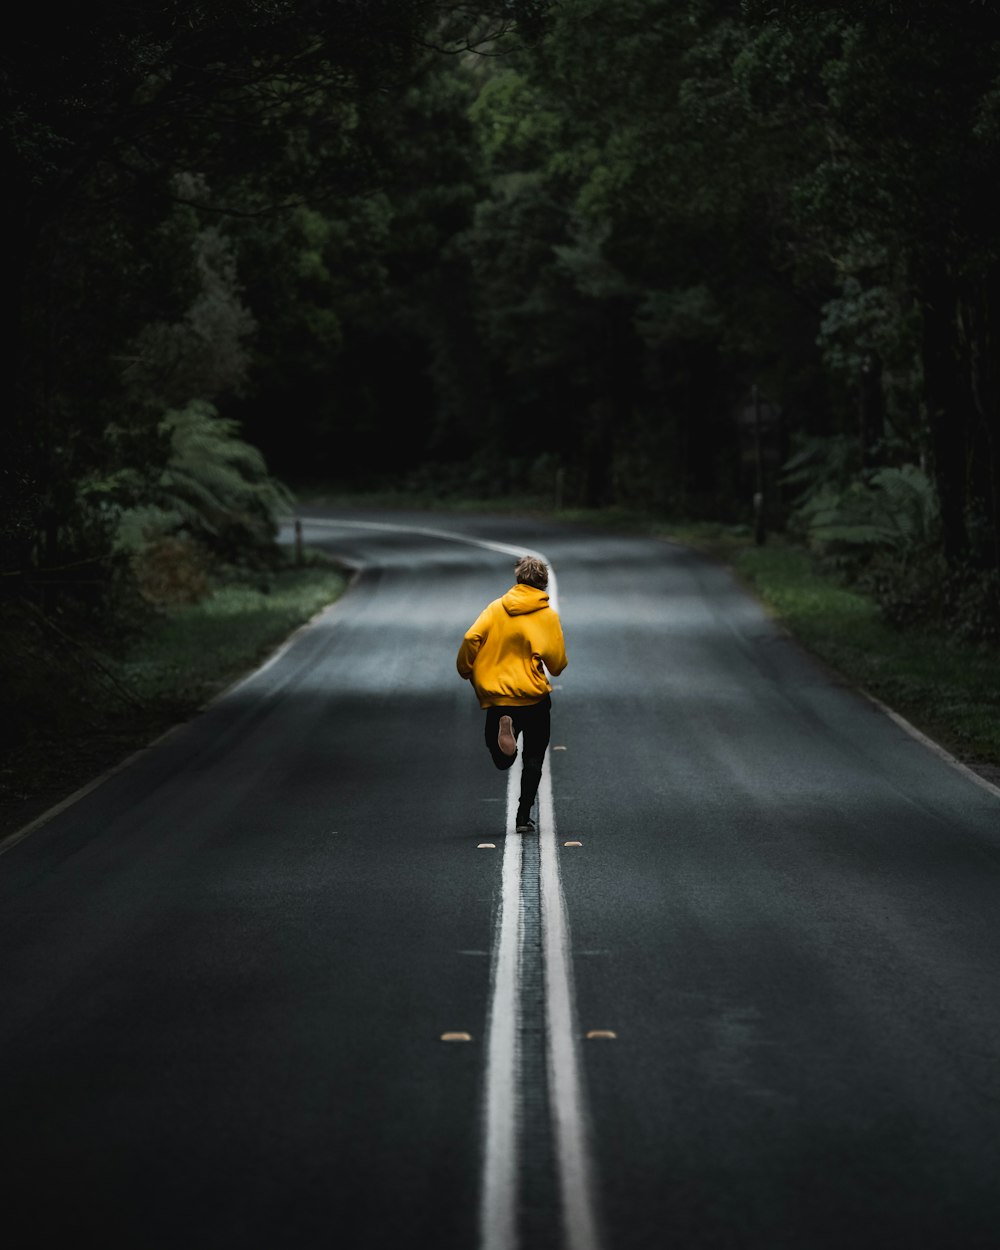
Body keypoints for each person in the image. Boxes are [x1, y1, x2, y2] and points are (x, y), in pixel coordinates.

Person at [456, 555, 568, 833]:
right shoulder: (547, 616)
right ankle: (522, 817)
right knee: (534, 758)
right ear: (543, 585)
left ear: (518, 579)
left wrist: (466, 668)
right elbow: (557, 664)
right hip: (533, 697)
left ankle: (506, 740)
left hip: (499, 698)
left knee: (501, 758)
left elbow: (472, 638)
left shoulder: (496, 608)